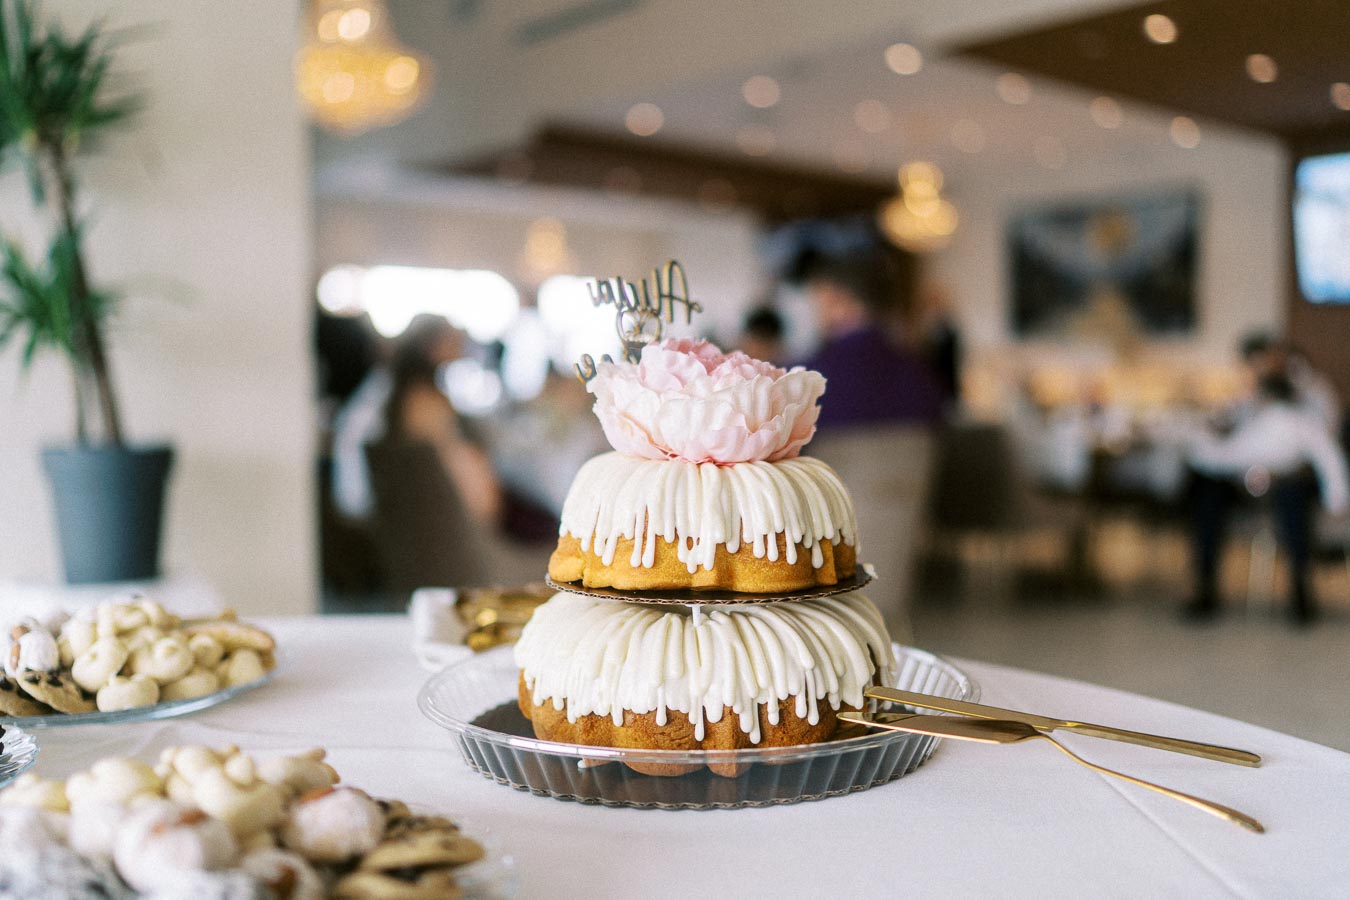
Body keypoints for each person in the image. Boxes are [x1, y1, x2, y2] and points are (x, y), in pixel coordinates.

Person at [1183, 371, 1349, 626]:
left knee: (1290, 495)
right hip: (1246, 486)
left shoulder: (1298, 421)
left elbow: (1327, 459)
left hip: (1283, 487)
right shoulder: (1255, 418)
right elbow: (1229, 456)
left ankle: (1300, 589)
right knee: (1210, 496)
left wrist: (1336, 499)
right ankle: (1206, 585)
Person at [795, 248, 942, 429]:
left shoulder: (804, 380)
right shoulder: (921, 376)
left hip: (829, 459)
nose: (816, 312)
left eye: (818, 301)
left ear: (836, 300)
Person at [380, 315, 502, 526]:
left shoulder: (408, 395)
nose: (460, 345)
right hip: (451, 519)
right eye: (452, 339)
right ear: (431, 345)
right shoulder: (422, 403)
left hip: (436, 517)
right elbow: (449, 463)